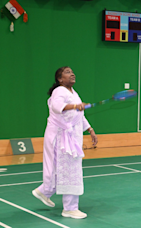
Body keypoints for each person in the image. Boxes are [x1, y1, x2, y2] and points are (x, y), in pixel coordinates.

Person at [32, 66, 98, 219]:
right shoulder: (59, 91)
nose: (72, 73)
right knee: (69, 171)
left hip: (71, 138)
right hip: (61, 138)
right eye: (68, 72)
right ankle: (69, 208)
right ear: (60, 79)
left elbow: (78, 116)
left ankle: (45, 190)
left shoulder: (74, 93)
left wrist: (90, 129)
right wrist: (76, 106)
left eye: (72, 71)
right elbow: (57, 108)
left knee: (65, 168)